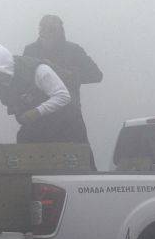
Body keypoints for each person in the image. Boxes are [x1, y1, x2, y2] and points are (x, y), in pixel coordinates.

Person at [0, 44, 88, 144]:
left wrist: (37, 111)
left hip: (65, 126)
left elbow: (63, 96)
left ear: (5, 69)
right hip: (35, 127)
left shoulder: (38, 71)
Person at [23, 14, 102, 165]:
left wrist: (71, 75)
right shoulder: (30, 51)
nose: (47, 33)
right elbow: (24, 78)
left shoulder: (73, 50)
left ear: (61, 31)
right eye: (44, 28)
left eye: (52, 29)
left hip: (69, 116)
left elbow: (96, 75)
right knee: (31, 164)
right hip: (39, 116)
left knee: (83, 163)